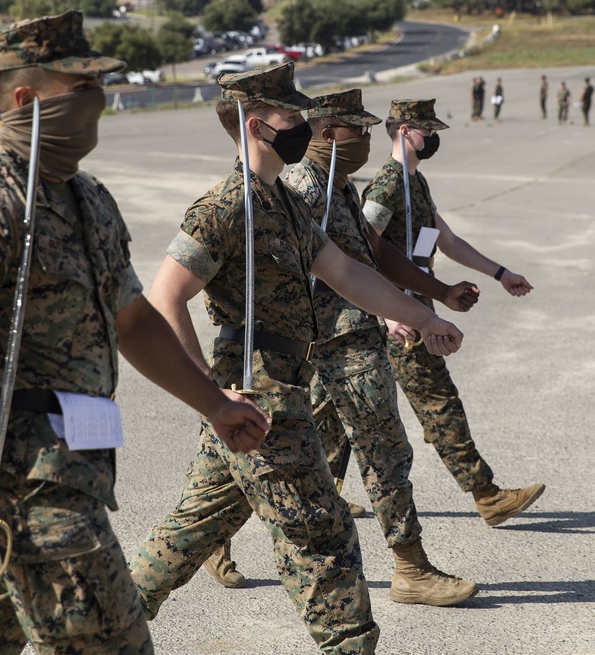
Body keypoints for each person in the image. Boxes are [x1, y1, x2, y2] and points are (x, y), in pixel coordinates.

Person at [0, 12, 269, 655]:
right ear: (25, 101)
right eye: (80, 86)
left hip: (80, 459)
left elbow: (132, 320)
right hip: (24, 473)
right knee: (113, 640)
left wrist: (215, 404)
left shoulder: (87, 198)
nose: (97, 101)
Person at [129, 63, 468, 654]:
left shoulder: (283, 203)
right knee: (323, 538)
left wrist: (426, 317)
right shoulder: (225, 207)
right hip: (255, 395)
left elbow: (347, 273)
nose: (304, 124)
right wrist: (210, 395)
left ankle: (99, 631)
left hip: (278, 387)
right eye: (292, 117)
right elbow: (164, 299)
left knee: (190, 531)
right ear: (257, 126)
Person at [203, 89, 483, 607]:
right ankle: (411, 567)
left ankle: (214, 536)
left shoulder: (340, 185)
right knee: (379, 449)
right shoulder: (301, 188)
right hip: (324, 345)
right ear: (331, 133)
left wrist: (432, 299)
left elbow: (370, 257)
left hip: (346, 340)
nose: (369, 140)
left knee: (305, 456)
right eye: (360, 130)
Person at [361, 98, 546, 529]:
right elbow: (361, 248)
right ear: (406, 131)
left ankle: (327, 487)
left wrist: (500, 273)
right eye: (428, 130)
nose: (435, 138)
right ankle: (487, 495)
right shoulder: (388, 185)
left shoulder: (415, 183)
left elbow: (446, 240)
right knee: (437, 400)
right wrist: (387, 313)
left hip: (414, 300)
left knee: (334, 406)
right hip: (397, 311)